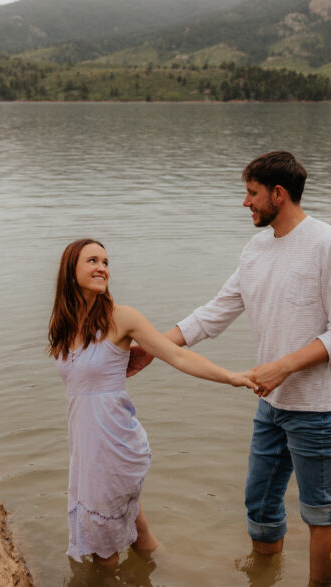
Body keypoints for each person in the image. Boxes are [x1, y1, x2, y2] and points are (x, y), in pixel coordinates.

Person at [127, 151, 331, 584]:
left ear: (278, 194)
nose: (245, 203)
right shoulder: (256, 248)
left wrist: (283, 367)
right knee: (260, 505)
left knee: (320, 510)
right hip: (271, 403)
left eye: (251, 194)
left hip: (318, 409)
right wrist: (153, 346)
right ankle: (263, 577)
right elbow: (217, 310)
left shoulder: (329, 245)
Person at [49, 238, 256, 566]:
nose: (102, 267)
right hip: (85, 444)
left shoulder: (122, 318)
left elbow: (176, 355)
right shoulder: (63, 327)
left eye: (105, 262)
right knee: (134, 525)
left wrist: (231, 376)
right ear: (69, 270)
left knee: (104, 550)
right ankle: (174, 570)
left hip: (112, 442)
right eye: (92, 261)